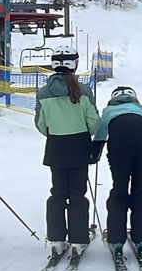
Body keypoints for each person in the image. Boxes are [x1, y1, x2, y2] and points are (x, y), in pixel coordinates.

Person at [34, 42, 100, 258]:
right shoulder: (84, 91)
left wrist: (56, 131)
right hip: (79, 146)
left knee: (58, 192)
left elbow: (41, 124)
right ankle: (78, 240)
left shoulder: (44, 93)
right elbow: (94, 121)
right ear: (75, 64)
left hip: (56, 147)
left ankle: (56, 238)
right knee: (77, 194)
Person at [93, 86, 142, 260]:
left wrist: (93, 156)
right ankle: (141, 240)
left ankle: (116, 239)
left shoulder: (108, 110)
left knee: (119, 189)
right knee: (141, 189)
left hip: (119, 148)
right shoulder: (141, 109)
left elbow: (100, 136)